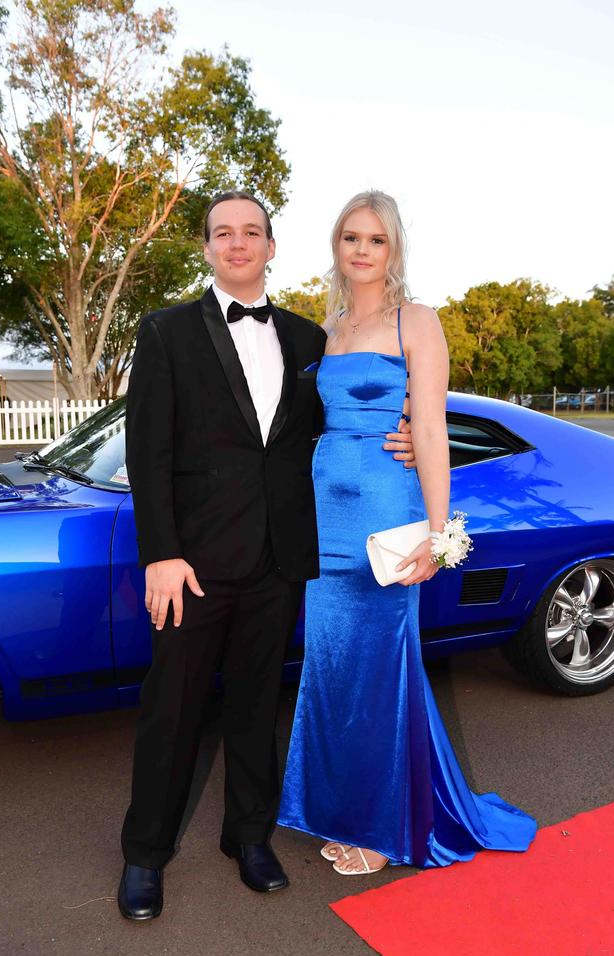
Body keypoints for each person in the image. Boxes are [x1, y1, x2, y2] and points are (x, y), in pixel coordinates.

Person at [118, 190, 415, 919]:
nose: (238, 244)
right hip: (192, 566)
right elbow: (146, 452)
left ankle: (248, 837)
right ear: (208, 247)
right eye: (224, 233)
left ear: (272, 246)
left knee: (255, 710)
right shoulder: (164, 333)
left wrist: (404, 427)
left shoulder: (312, 338)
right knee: (172, 712)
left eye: (252, 232)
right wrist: (162, 553)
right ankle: (144, 855)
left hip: (281, 560)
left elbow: (344, 420)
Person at [278, 191, 537, 875]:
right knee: (330, 670)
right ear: (336, 246)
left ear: (394, 250)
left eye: (376, 240)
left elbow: (429, 430)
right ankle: (338, 809)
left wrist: (439, 529)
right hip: (322, 520)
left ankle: (383, 827)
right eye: (351, 238)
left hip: (386, 517)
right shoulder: (323, 330)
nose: (361, 251)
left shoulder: (415, 322)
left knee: (380, 669)